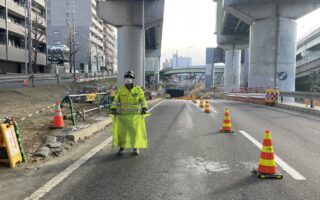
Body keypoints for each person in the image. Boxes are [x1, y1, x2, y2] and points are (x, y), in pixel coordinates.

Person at [111, 70, 148, 155]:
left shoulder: (138, 90)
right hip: (123, 116)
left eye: (130, 78)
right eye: (127, 78)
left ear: (133, 79)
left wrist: (144, 108)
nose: (128, 79)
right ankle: (122, 147)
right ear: (124, 79)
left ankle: (135, 148)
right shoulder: (121, 90)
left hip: (135, 116)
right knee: (123, 132)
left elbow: (142, 100)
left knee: (134, 132)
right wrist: (113, 108)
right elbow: (116, 100)